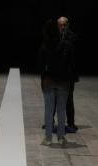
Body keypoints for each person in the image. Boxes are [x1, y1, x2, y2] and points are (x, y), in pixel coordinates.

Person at [38, 18, 76, 147]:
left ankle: (48, 138)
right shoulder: (68, 45)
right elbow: (72, 65)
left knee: (49, 110)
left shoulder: (45, 46)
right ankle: (61, 137)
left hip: (49, 81)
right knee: (61, 110)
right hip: (64, 82)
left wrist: (42, 81)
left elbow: (41, 67)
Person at [58, 16, 79, 133]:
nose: (62, 27)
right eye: (60, 25)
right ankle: (50, 122)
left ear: (68, 25)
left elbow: (74, 58)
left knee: (69, 99)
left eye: (64, 25)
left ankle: (71, 122)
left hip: (68, 74)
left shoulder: (72, 37)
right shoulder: (55, 37)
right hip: (57, 74)